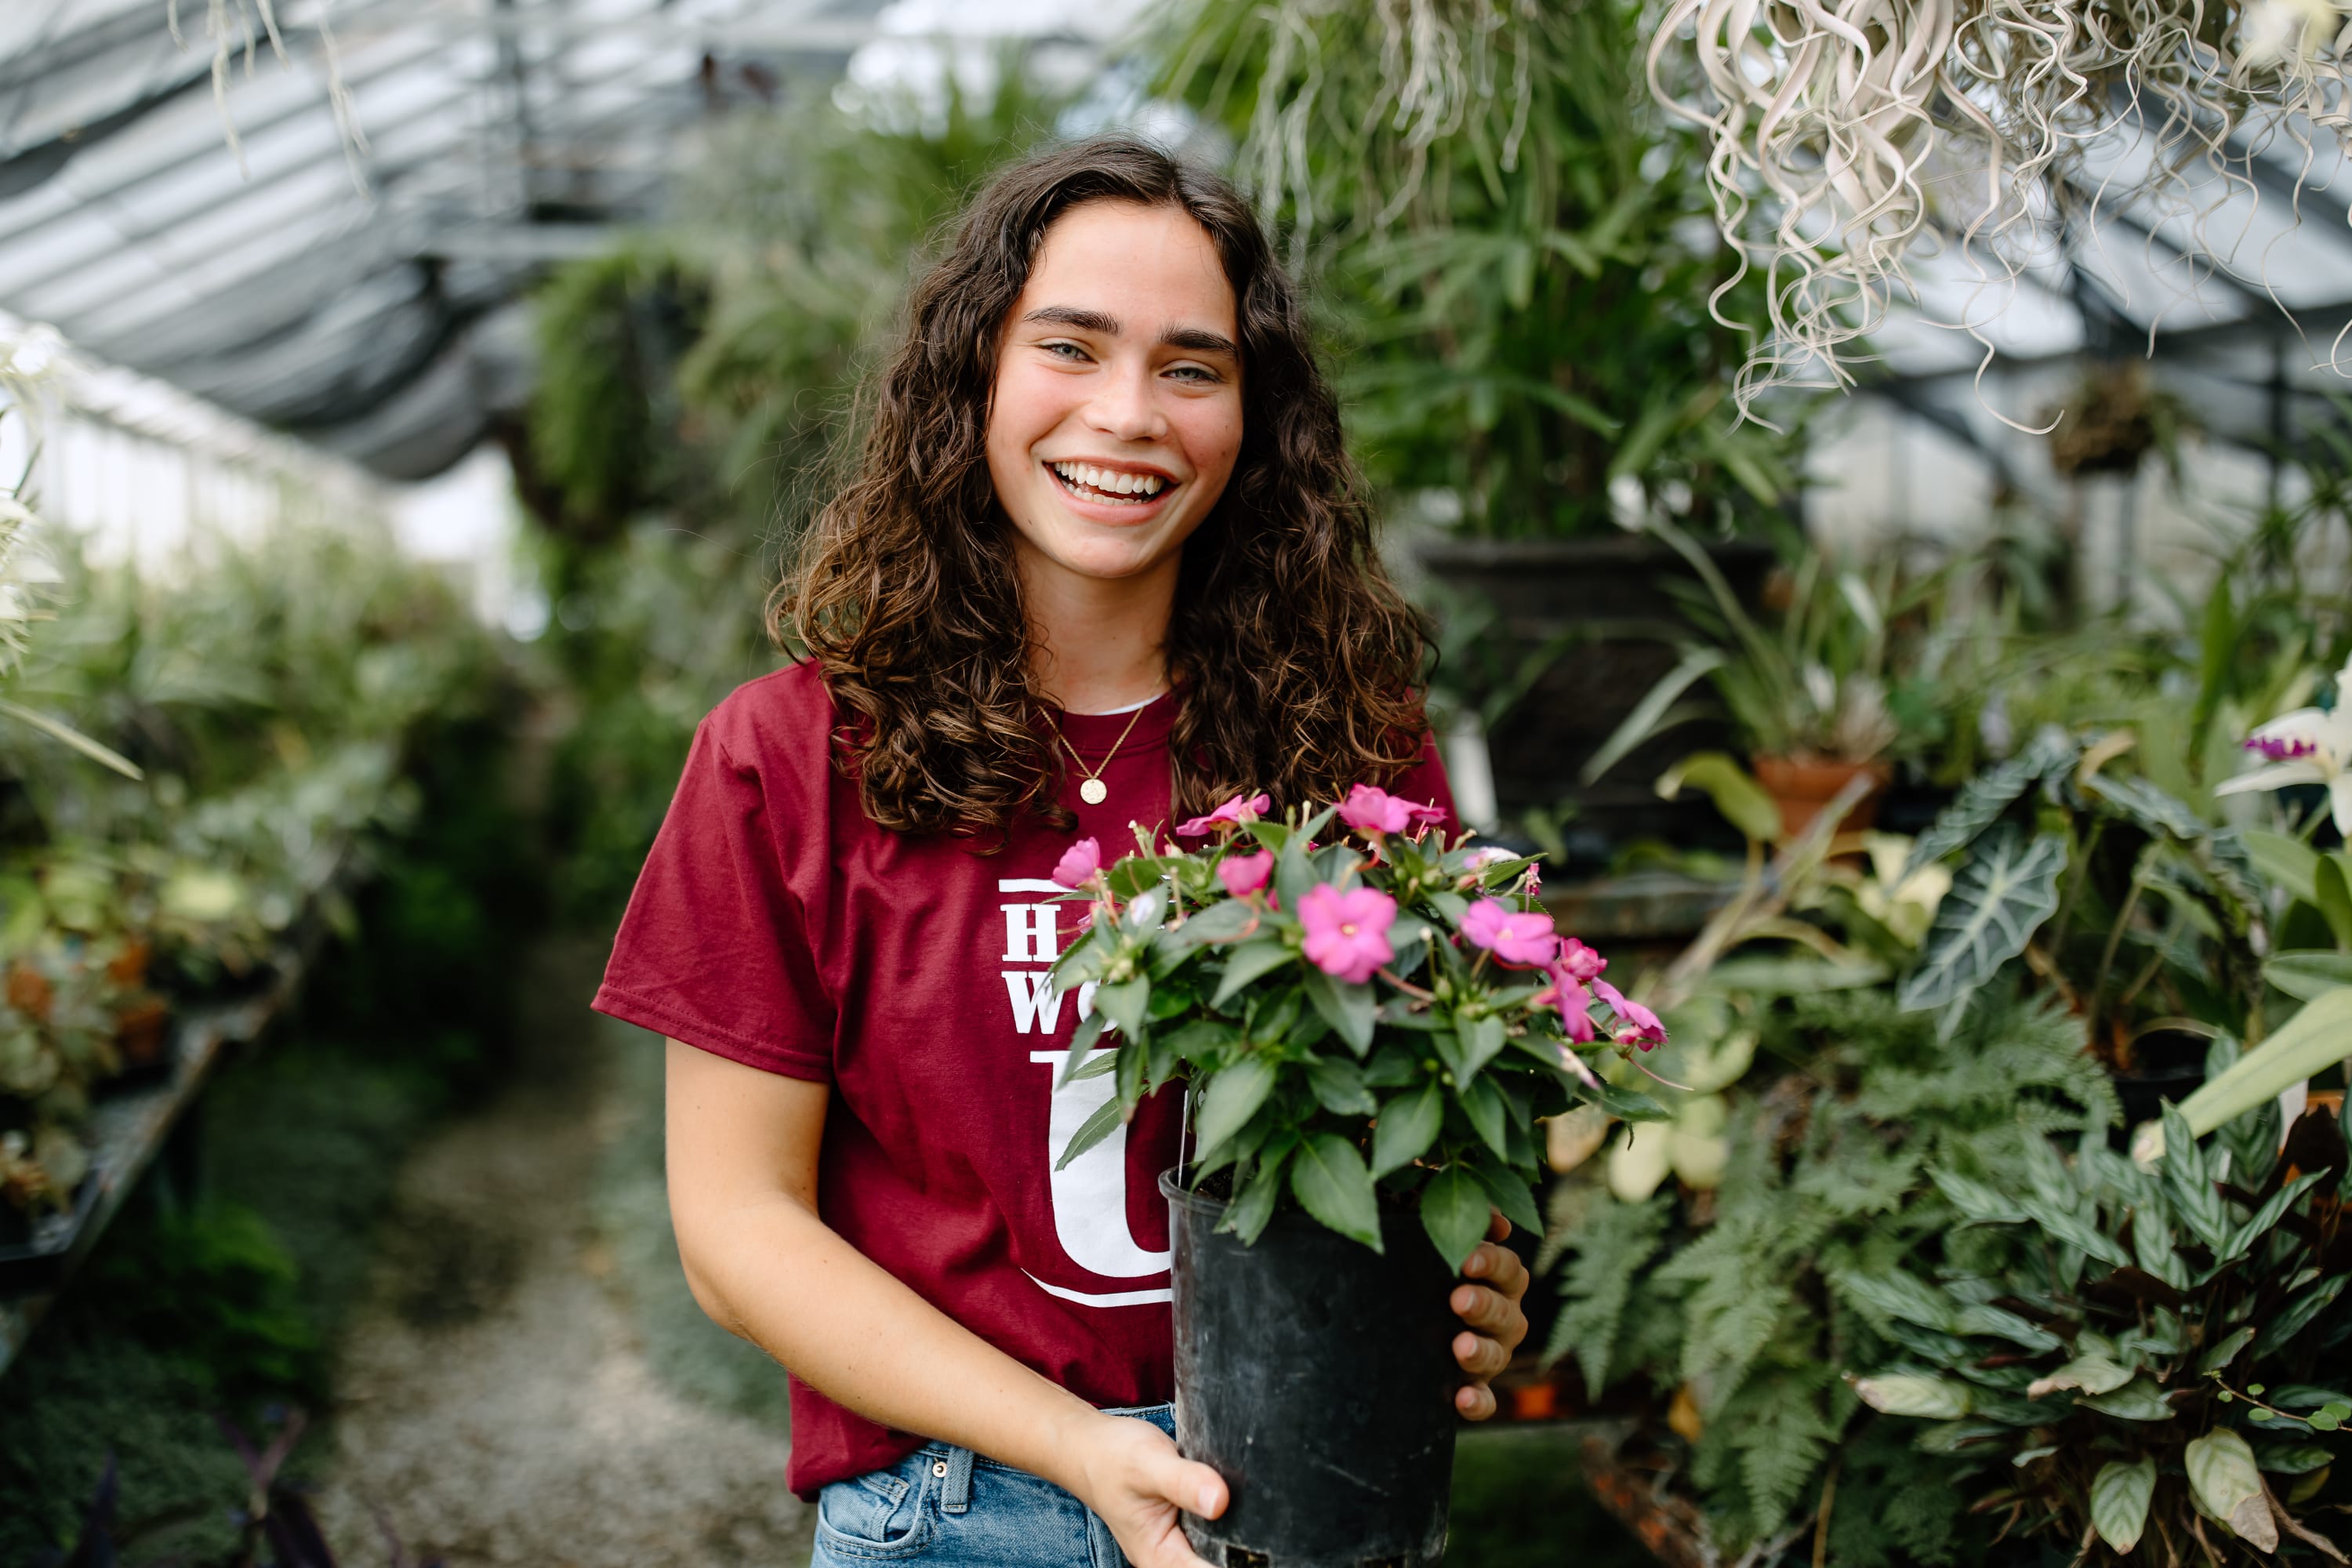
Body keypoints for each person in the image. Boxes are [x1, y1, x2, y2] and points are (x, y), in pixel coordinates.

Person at [592, 136, 1530, 1568]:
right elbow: (734, 1231)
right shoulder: (786, 759)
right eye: (1071, 347)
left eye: (1192, 368)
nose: (1128, 414)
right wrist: (1079, 1453)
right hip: (954, 1517)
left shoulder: (1350, 744)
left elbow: (1420, 1130)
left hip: (1303, 1497)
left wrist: (1479, 1287)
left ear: (1252, 416)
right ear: (971, 375)